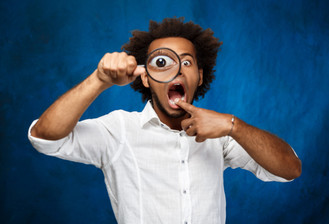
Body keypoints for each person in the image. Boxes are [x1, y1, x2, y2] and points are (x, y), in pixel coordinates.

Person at [28, 17, 301, 224]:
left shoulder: (221, 134)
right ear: (146, 78)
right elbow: (45, 137)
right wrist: (99, 80)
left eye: (187, 62)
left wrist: (234, 126)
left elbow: (290, 169)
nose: (177, 70)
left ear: (200, 77)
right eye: (162, 63)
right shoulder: (120, 130)